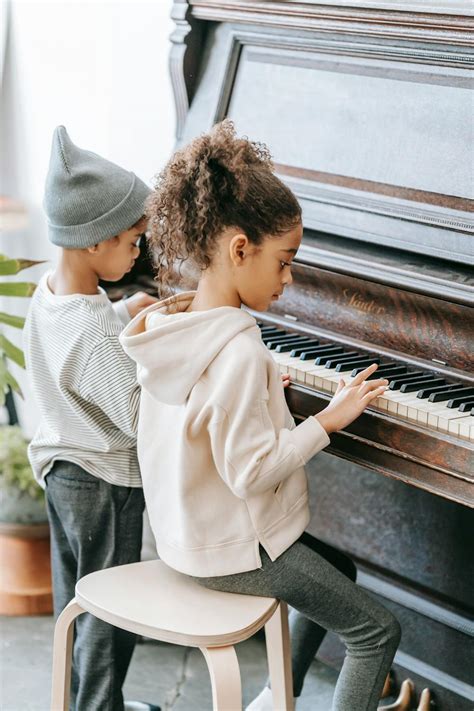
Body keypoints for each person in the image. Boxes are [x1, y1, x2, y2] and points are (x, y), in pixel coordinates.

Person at [120, 120, 401, 711]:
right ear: (238, 249)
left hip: (186, 536)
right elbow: (249, 473)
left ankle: (278, 698)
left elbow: (212, 411)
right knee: (377, 631)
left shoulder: (175, 326)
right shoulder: (241, 350)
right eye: (284, 261)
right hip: (234, 552)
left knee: (340, 570)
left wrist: (266, 395)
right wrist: (326, 420)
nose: (290, 278)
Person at [24, 126, 160, 711]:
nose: (138, 253)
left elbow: (81, 341)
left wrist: (125, 308)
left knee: (75, 604)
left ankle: (77, 701)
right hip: (105, 482)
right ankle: (99, 707)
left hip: (60, 471)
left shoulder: (52, 292)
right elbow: (135, 414)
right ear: (93, 243)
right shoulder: (93, 328)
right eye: (133, 242)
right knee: (111, 613)